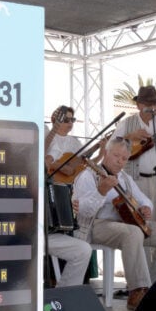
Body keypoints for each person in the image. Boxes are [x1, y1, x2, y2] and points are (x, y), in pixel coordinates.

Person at [73, 137, 156, 311]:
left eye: (124, 158)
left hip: (127, 224)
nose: (120, 161)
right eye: (116, 156)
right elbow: (83, 211)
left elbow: (142, 198)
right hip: (96, 225)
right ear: (106, 153)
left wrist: (146, 207)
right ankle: (137, 290)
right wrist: (101, 190)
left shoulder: (124, 177)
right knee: (133, 232)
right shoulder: (88, 175)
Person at [113, 85, 156, 224]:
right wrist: (130, 137)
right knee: (140, 217)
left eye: (155, 104)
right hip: (136, 180)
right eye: (148, 104)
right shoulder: (126, 123)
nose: (152, 107)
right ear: (138, 105)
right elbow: (112, 147)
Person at [44, 105, 93, 287]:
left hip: (67, 189)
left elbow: (80, 164)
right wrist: (55, 164)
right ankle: (48, 279)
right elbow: (52, 153)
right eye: (66, 119)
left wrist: (49, 160)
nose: (70, 123)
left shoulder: (74, 141)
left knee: (69, 232)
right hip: (51, 184)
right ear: (54, 118)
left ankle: (67, 290)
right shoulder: (46, 132)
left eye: (72, 119)